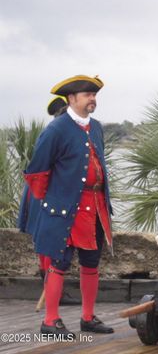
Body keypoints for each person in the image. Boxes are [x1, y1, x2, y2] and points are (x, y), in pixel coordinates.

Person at [21, 75, 114, 338]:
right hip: (65, 207)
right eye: (87, 95)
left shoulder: (96, 127)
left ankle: (87, 318)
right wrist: (50, 203)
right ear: (72, 98)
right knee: (59, 262)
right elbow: (37, 170)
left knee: (91, 261)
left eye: (94, 95)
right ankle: (50, 321)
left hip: (95, 205)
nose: (92, 99)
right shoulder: (56, 129)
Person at [18, 95, 81, 306]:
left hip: (43, 189)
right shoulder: (57, 132)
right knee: (48, 239)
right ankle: (53, 291)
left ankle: (54, 290)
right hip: (45, 190)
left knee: (46, 239)